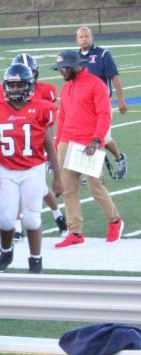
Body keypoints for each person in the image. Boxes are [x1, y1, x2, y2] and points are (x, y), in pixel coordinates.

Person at [0, 64, 63, 273]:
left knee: (31, 218)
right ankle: (6, 252)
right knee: (5, 218)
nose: (14, 89)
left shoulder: (42, 108)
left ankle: (35, 260)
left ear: (29, 86)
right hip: (5, 168)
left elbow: (49, 143)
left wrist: (57, 176)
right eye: (11, 85)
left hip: (33, 168)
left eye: (19, 85)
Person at [51, 50, 124, 247]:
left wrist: (97, 139)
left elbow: (104, 114)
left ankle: (115, 221)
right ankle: (75, 232)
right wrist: (58, 142)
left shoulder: (95, 84)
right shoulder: (66, 88)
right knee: (69, 189)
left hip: (88, 143)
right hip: (67, 142)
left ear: (76, 65)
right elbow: (63, 117)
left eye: (64, 68)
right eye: (59, 68)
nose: (61, 72)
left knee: (95, 186)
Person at [77, 26, 128, 178]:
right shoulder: (76, 57)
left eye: (86, 36)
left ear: (92, 37)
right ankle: (90, 171)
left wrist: (120, 100)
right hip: (84, 105)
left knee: (103, 138)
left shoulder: (103, 54)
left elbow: (115, 77)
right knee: (85, 136)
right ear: (77, 39)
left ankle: (119, 158)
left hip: (102, 103)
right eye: (81, 37)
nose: (84, 39)